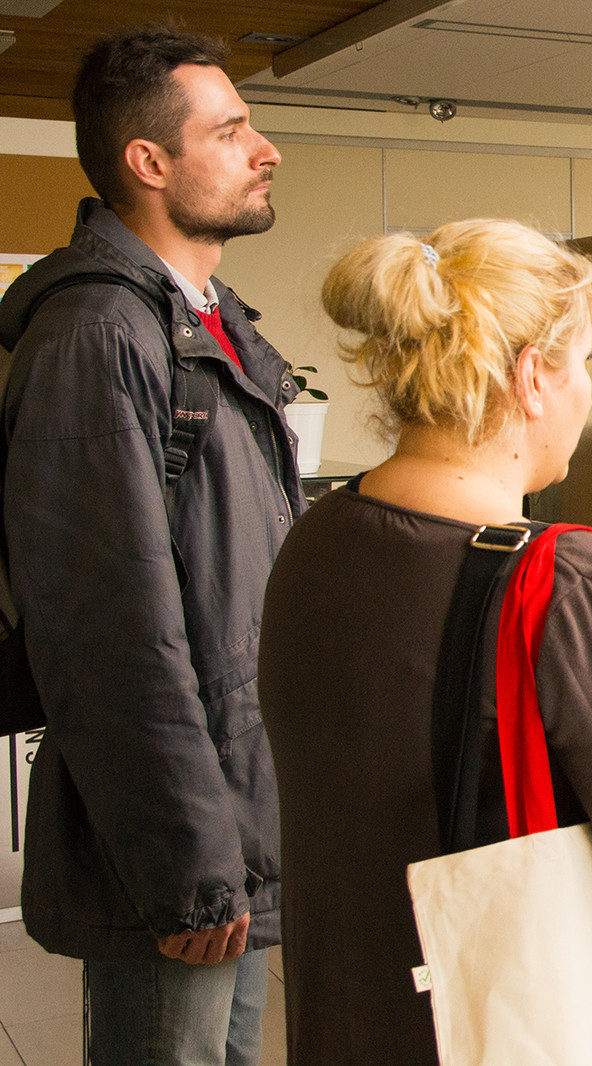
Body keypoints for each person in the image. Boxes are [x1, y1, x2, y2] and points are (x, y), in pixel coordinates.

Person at [256, 219, 592, 1064]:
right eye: (581, 363)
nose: (586, 391)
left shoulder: (315, 539)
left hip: (350, 1018)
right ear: (531, 379)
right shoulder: (566, 582)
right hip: (505, 1030)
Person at [0, 24, 301, 1065]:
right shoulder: (99, 336)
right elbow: (106, 633)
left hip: (237, 802)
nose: (264, 149)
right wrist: (189, 867)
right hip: (182, 829)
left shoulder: (206, 322)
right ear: (149, 162)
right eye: (231, 130)